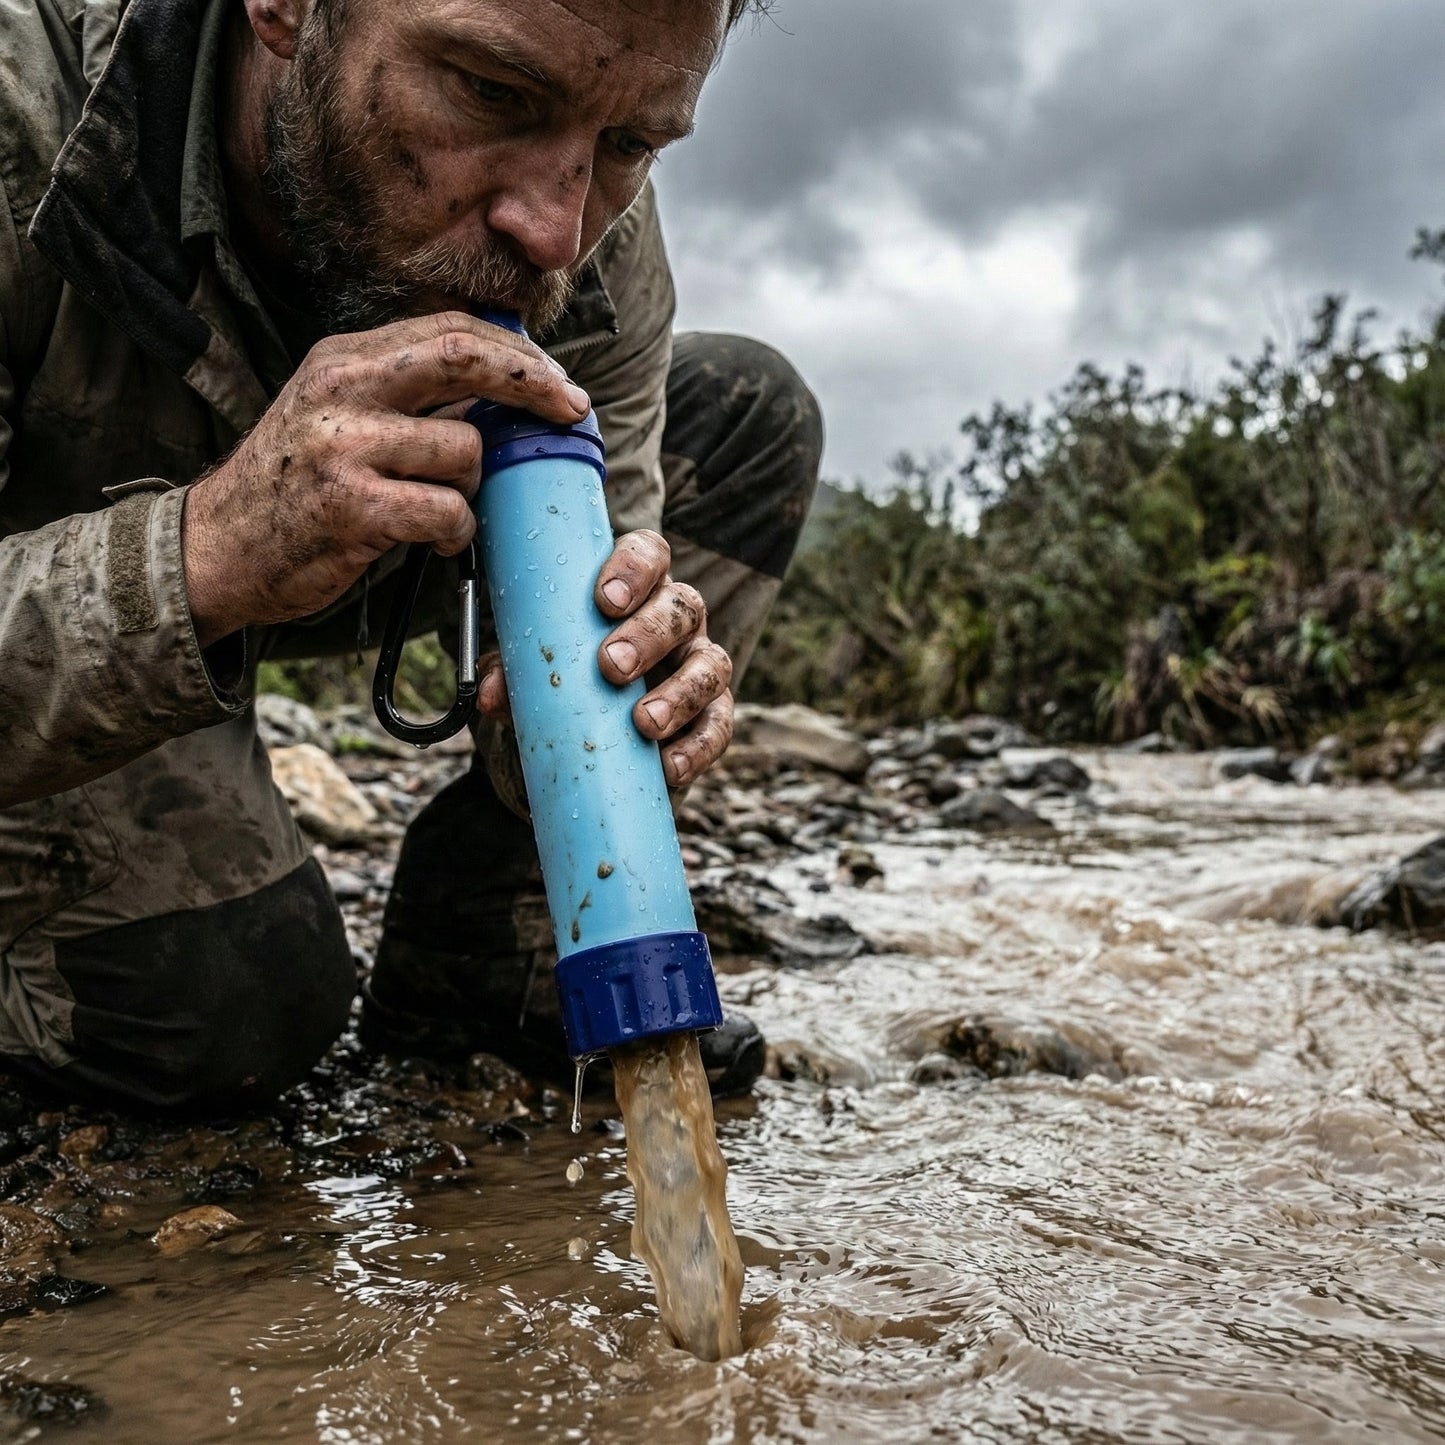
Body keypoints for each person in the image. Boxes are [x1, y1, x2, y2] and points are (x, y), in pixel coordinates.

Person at [0, 0, 822, 1111]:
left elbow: (618, 571)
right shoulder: (20, 114)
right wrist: (203, 555)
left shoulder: (590, 238)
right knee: (232, 1003)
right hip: (67, 566)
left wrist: (585, 724)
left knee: (748, 411)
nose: (553, 231)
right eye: (491, 92)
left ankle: (491, 947)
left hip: (381, 559)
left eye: (625, 144)